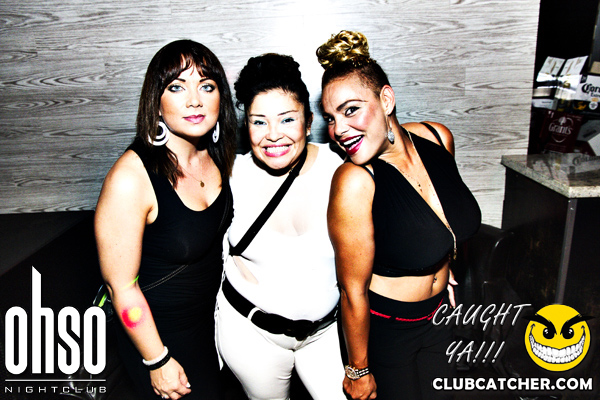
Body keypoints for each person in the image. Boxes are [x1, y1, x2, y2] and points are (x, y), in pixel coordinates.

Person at [317, 30, 482, 400]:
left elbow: (442, 217)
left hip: (441, 316)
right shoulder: (355, 180)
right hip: (389, 330)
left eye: (350, 110)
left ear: (386, 99)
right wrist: (358, 370)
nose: (338, 130)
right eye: (330, 117)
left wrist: (443, 263)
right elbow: (352, 291)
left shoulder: (438, 137)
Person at [94, 39, 236, 400]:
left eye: (207, 86)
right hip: (159, 338)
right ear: (155, 102)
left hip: (208, 326)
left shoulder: (216, 156)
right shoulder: (131, 178)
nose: (195, 100)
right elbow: (120, 287)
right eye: (177, 87)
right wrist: (156, 359)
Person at [215, 53, 346, 400]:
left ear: (309, 121)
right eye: (259, 122)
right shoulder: (229, 176)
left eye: (287, 119)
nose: (273, 135)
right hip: (251, 335)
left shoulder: (340, 171)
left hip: (326, 333)